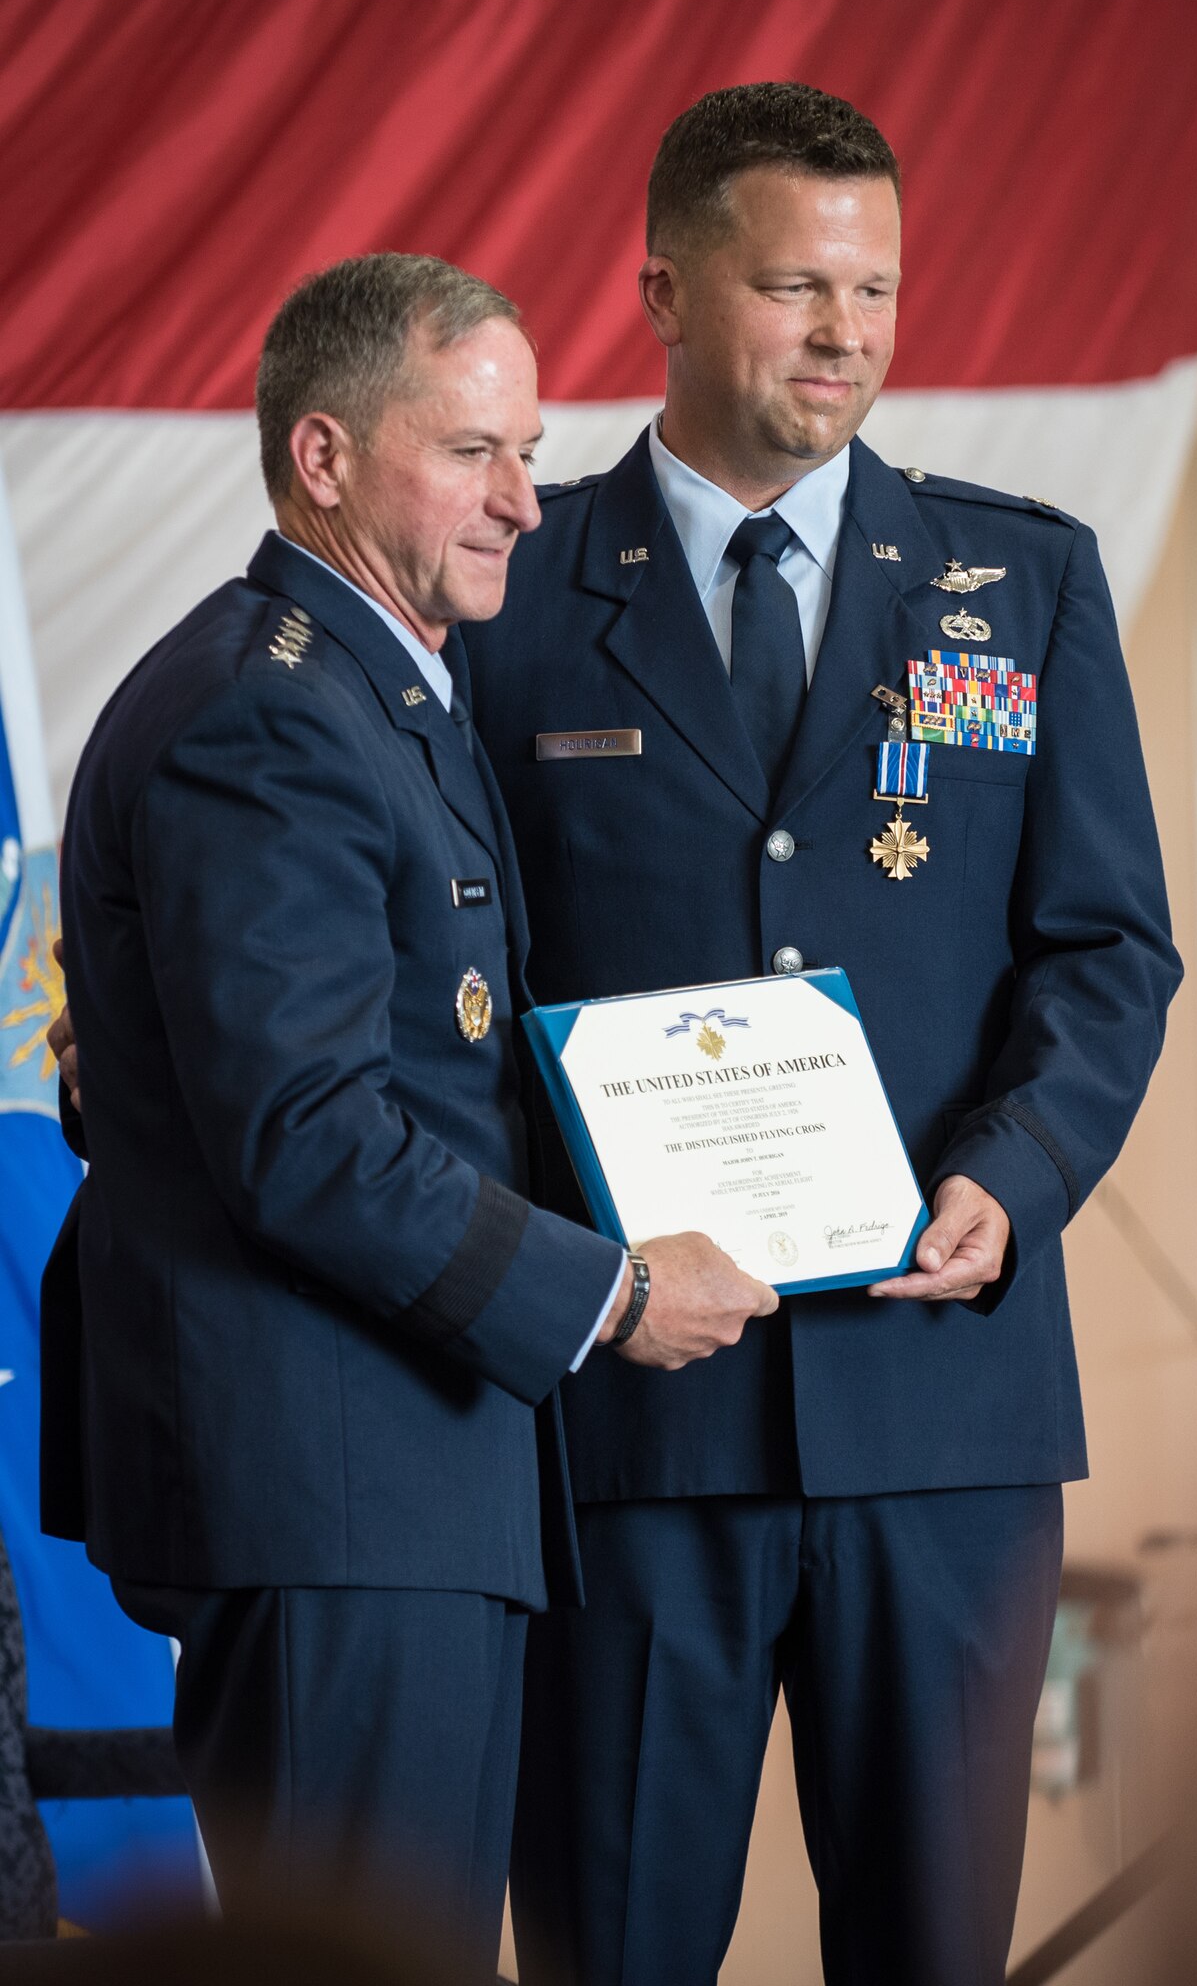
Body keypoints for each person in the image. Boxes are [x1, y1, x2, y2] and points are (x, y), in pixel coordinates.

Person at [456, 85, 1183, 1985]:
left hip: (943, 1421)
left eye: (874, 288)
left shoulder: (1020, 583)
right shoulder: (507, 591)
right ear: (666, 292)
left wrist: (1016, 1182)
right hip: (628, 1425)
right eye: (794, 288)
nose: (847, 332)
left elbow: (1108, 952)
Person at [40, 252, 775, 1963]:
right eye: (472, 452)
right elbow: (308, 1134)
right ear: (321, 457)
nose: (527, 498)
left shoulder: (383, 696)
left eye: (528, 449)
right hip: (334, 1498)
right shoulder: (271, 716)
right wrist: (612, 1293)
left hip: (406, 1488)